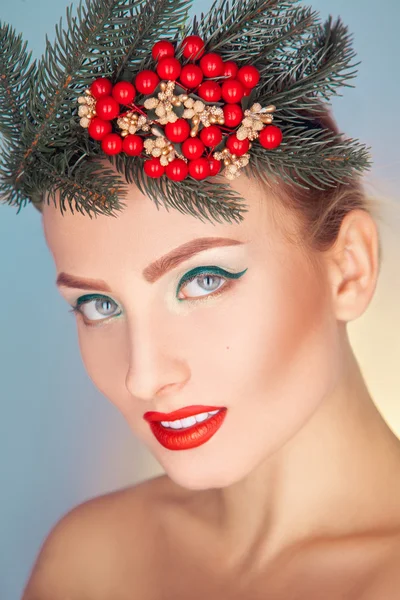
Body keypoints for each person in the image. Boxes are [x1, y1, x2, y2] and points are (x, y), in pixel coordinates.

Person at [1, 0, 398, 598]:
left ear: (349, 269)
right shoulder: (88, 562)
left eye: (203, 279)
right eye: (99, 306)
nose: (145, 375)